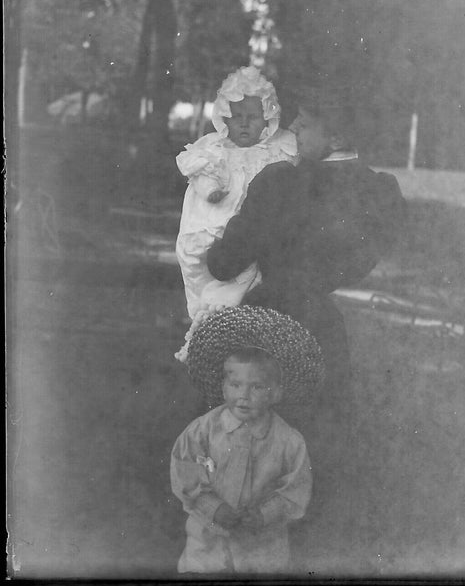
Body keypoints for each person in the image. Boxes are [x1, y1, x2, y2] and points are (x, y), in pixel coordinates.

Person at [206, 86, 407, 566]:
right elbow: (355, 259)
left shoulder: (282, 185)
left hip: (270, 321)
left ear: (335, 133)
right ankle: (307, 542)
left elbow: (223, 261)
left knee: (251, 427)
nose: (292, 128)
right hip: (322, 324)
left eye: (305, 121)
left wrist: (221, 229)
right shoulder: (376, 191)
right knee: (318, 433)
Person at [170, 305, 324, 574]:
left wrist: (264, 515)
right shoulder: (203, 430)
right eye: (235, 385)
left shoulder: (289, 441)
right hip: (208, 545)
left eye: (257, 387)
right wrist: (213, 507)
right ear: (222, 387)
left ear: (275, 393)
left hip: (262, 549)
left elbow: (296, 489)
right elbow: (186, 471)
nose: (244, 396)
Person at [175, 66, 298, 356]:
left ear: (267, 117)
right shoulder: (214, 148)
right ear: (224, 116)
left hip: (249, 229)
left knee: (245, 285)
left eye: (253, 118)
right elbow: (201, 176)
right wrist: (211, 188)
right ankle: (207, 331)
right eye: (237, 117)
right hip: (213, 222)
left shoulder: (277, 149)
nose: (244, 124)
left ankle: (233, 334)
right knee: (206, 275)